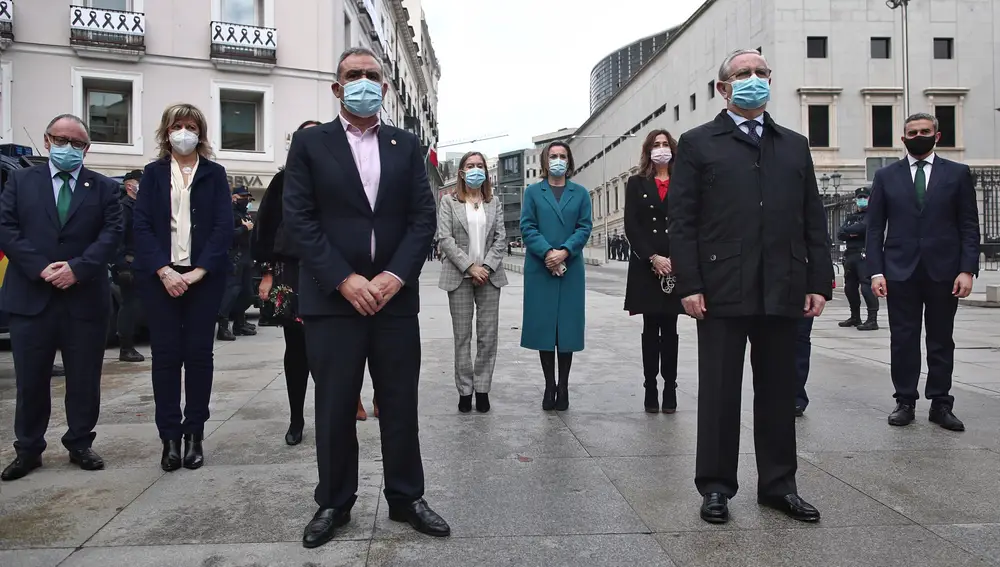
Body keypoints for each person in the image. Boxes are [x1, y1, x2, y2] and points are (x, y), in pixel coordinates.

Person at [284, 47, 448, 548]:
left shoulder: (406, 144)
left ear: (385, 87)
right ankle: (334, 501)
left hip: (394, 301)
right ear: (337, 88)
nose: (363, 82)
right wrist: (345, 279)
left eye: (372, 76)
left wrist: (395, 276)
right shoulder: (311, 145)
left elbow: (423, 219)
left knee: (399, 401)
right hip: (334, 300)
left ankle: (406, 497)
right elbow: (300, 219)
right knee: (335, 405)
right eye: (353, 75)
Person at [669, 49, 834, 525]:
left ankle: (779, 485)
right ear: (723, 88)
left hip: (783, 284)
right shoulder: (698, 143)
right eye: (743, 74)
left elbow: (812, 218)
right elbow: (683, 221)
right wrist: (690, 283)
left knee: (779, 391)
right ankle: (716, 487)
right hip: (721, 286)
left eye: (762, 72)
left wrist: (818, 280)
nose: (754, 80)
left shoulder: (794, 144)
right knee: (720, 390)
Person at [0, 114, 123, 481]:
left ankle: (80, 442)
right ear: (47, 140)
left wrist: (77, 269)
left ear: (86, 149)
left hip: (84, 298)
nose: (68, 147)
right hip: (31, 297)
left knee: (84, 377)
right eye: (61, 139)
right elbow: (6, 228)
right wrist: (41, 267)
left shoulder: (103, 188)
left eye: (77, 143)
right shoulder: (21, 181)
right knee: (31, 378)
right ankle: (28, 448)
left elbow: (112, 235)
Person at [133, 103, 233, 472]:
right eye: (178, 125)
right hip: (161, 278)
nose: (184, 132)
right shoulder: (153, 173)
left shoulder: (215, 173)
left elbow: (224, 227)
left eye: (191, 126)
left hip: (202, 280)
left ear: (201, 133)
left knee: (198, 357)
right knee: (166, 358)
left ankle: (195, 435)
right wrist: (164, 270)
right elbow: (141, 226)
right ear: (166, 131)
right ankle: (169, 438)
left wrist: (198, 271)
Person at [866, 112, 979, 432]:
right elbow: (874, 229)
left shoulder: (957, 174)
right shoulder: (886, 176)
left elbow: (969, 225)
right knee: (903, 339)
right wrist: (876, 272)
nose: (919, 136)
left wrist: (967, 269)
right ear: (903, 138)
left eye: (925, 131)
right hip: (899, 272)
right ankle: (905, 401)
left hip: (944, 272)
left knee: (942, 339)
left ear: (937, 136)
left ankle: (941, 403)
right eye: (912, 132)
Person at [254, 120, 322, 445]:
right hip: (290, 273)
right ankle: (296, 418)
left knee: (327, 349)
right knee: (296, 348)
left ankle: (330, 414)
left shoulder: (336, 180)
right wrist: (267, 273)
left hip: (328, 271)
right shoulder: (282, 181)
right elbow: (264, 228)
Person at [519, 141, 593, 411]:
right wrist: (548, 252)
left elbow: (585, 228)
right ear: (545, 161)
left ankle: (564, 386)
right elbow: (527, 227)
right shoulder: (533, 193)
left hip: (571, 268)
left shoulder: (581, 193)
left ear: (569, 161)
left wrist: (565, 252)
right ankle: (549, 384)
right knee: (544, 328)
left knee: (567, 329)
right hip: (540, 268)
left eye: (562, 156)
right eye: (553, 156)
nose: (558, 160)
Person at [436, 151, 508, 413]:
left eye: (480, 165)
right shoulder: (449, 202)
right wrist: (470, 267)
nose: (475, 169)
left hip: (490, 276)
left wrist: (486, 267)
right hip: (459, 276)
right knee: (462, 337)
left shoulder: (494, 202)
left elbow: (501, 237)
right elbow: (445, 239)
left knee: (488, 337)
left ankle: (482, 389)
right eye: (470, 165)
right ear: (462, 171)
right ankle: (465, 391)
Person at [624, 129, 684, 414]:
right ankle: (650, 386)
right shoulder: (636, 183)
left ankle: (670, 387)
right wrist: (653, 257)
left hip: (675, 265)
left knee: (670, 330)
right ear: (648, 151)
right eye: (655, 145)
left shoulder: (684, 182)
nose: (661, 149)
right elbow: (632, 225)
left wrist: (674, 258)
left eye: (665, 144)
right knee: (650, 330)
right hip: (647, 266)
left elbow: (690, 222)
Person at [217, 185, 257, 340]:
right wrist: (244, 229)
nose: (246, 200)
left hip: (246, 256)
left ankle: (240, 323)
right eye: (242, 197)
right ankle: (223, 327)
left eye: (247, 197)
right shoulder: (229, 214)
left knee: (246, 293)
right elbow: (225, 235)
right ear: (234, 198)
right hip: (234, 256)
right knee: (232, 292)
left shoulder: (244, 213)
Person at [837, 187, 879, 331]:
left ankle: (872, 319)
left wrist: (851, 231)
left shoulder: (871, 214)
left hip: (863, 254)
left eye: (864, 197)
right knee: (850, 288)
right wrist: (852, 232)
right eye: (859, 197)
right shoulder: (851, 216)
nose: (861, 200)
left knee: (866, 287)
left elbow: (862, 228)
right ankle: (855, 317)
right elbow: (840, 233)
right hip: (850, 255)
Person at [114, 169, 145, 362]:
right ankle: (126, 347)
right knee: (129, 305)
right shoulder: (123, 207)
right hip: (129, 263)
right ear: (129, 186)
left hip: (142, 262)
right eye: (140, 182)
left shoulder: (141, 206)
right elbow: (118, 237)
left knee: (139, 305)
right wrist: (122, 265)